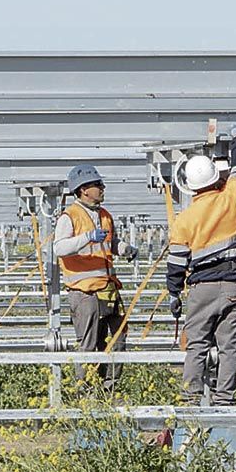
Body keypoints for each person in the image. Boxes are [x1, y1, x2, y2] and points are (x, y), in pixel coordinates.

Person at [166, 125, 236, 405]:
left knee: (197, 345)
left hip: (201, 288)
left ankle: (191, 400)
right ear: (217, 178)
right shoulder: (233, 197)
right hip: (233, 286)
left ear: (190, 186)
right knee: (230, 347)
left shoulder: (185, 218)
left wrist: (174, 293)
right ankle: (224, 399)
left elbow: (177, 262)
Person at [53, 164, 138, 389]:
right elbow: (59, 248)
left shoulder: (105, 215)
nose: (102, 188)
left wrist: (125, 249)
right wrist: (87, 237)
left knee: (118, 338)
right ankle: (86, 390)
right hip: (84, 291)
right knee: (89, 343)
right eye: (97, 185)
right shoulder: (69, 216)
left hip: (108, 288)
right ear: (82, 189)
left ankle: (110, 388)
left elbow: (110, 244)